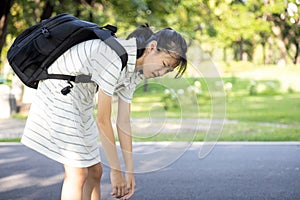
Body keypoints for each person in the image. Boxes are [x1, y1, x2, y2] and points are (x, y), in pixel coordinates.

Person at [21, 23, 187, 200]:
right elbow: (103, 120)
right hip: (59, 93)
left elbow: (123, 122)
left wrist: (129, 172)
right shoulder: (114, 56)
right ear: (152, 47)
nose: (162, 72)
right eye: (163, 64)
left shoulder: (135, 72)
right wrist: (116, 172)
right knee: (77, 174)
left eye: (168, 70)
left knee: (95, 172)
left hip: (80, 101)